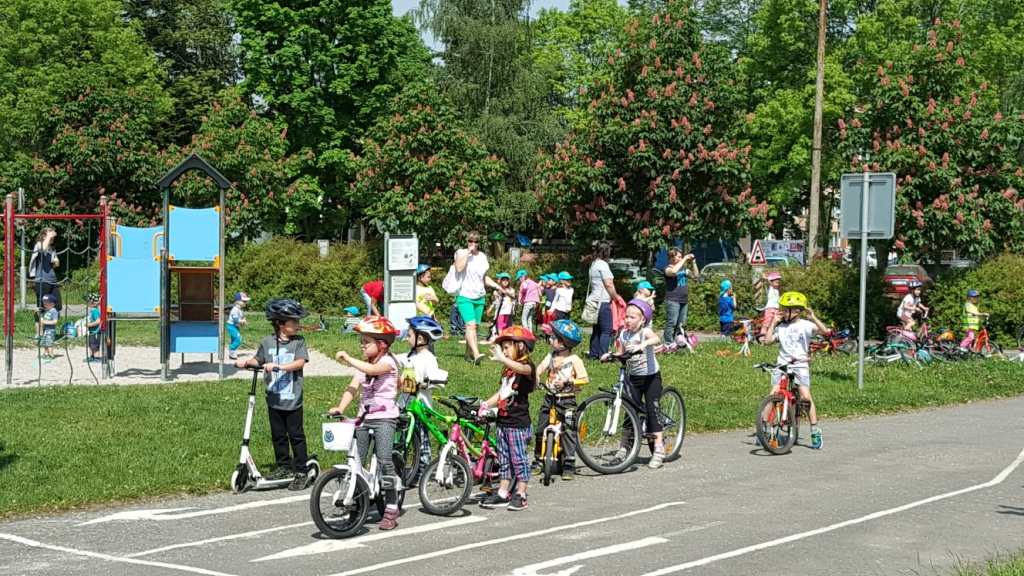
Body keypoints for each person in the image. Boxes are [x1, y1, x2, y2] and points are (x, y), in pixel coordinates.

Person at [331, 315, 403, 530]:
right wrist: (340, 408)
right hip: (364, 418)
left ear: (382, 344)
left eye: (366, 342)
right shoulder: (364, 365)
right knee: (356, 461)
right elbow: (353, 387)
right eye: (360, 342)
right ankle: (356, 504)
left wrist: (347, 358)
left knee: (384, 460)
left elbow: (372, 371)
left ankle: (391, 505)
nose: (361, 346)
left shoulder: (388, 361)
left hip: (385, 418)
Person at [235, 298, 312, 490]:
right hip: (274, 398)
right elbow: (258, 359)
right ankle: (284, 466)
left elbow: (300, 363)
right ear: (279, 323)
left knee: (296, 435)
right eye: (293, 321)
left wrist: (279, 366)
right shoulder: (267, 341)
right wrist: (246, 362)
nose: (297, 325)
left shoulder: (299, 342)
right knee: (278, 435)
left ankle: (302, 471)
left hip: (292, 399)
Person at [601, 299, 665, 469]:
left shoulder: (645, 332)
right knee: (629, 412)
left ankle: (659, 450)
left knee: (653, 411)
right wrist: (610, 356)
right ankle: (623, 447)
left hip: (651, 377)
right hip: (634, 377)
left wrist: (643, 344)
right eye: (626, 316)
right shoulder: (623, 334)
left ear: (642, 320)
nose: (628, 320)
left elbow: (656, 340)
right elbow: (620, 353)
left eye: (632, 317)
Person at [478, 326, 536, 511]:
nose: (503, 352)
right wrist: (486, 404)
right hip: (503, 421)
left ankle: (521, 494)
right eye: (502, 348)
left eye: (507, 347)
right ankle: (503, 492)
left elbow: (523, 369)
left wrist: (503, 359)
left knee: (519, 460)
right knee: (504, 459)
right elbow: (503, 393)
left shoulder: (526, 367)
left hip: (518, 424)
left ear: (521, 346)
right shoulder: (508, 371)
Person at [762, 292, 828, 449]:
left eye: (786, 310)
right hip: (782, 364)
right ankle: (763, 429)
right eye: (782, 309)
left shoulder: (805, 325)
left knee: (805, 396)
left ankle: (814, 430)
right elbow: (767, 341)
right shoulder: (781, 327)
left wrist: (813, 317)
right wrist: (772, 323)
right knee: (773, 393)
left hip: (800, 364)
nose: (783, 312)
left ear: (796, 311)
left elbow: (824, 331)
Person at [532, 319, 589, 481]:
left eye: (553, 337)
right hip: (550, 396)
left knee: (568, 431)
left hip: (567, 400)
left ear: (563, 343)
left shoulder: (575, 360)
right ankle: (539, 459)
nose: (550, 339)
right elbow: (542, 366)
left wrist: (569, 382)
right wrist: (536, 375)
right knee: (540, 428)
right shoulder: (552, 355)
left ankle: (568, 463)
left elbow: (585, 379)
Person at [396, 315, 444, 487]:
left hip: (420, 404)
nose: (407, 338)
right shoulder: (411, 355)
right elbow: (395, 359)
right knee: (403, 437)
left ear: (421, 338)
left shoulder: (429, 358)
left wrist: (424, 383)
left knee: (422, 438)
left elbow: (434, 382)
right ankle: (402, 467)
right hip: (405, 402)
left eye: (409, 335)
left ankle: (422, 470)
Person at [452, 231, 507, 364]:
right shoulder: (460, 253)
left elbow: (484, 278)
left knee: (475, 327)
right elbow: (459, 268)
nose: (473, 244)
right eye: (470, 241)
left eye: (476, 242)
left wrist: (497, 287)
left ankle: (467, 354)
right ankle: (476, 354)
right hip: (465, 295)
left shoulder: (482, 256)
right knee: (470, 325)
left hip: (479, 296)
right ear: (467, 241)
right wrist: (468, 252)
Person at [587, 242, 621, 360]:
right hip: (603, 302)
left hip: (594, 300)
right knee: (607, 330)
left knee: (597, 330)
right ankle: (604, 355)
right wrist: (616, 298)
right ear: (606, 251)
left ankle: (593, 355)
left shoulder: (594, 264)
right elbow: (608, 284)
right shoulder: (603, 264)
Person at [662, 248, 699, 346]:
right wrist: (685, 258)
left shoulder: (684, 269)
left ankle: (678, 343)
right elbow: (673, 271)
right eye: (679, 256)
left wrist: (694, 263)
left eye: (681, 256)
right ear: (672, 257)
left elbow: (695, 276)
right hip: (672, 300)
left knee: (681, 325)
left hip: (684, 300)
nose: (681, 258)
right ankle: (668, 344)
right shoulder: (667, 268)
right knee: (672, 323)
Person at [31, 227, 62, 337]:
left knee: (57, 305)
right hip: (41, 280)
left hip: (52, 280)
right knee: (41, 307)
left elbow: (55, 260)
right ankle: (38, 334)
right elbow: (42, 249)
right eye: (50, 234)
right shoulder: (39, 245)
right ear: (44, 235)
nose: (52, 236)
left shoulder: (52, 248)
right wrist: (48, 237)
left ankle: (49, 328)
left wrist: (56, 262)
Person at [226, 292, 251, 360]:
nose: (245, 302)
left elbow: (240, 318)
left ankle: (232, 352)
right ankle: (232, 350)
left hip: (235, 327)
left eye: (246, 301)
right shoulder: (235, 310)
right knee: (238, 339)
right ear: (237, 302)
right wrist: (243, 321)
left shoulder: (240, 309)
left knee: (234, 339)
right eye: (244, 301)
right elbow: (235, 320)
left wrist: (243, 321)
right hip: (231, 326)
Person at [761, 272, 782, 336]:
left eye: (778, 282)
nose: (777, 284)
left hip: (776, 309)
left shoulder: (777, 291)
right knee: (766, 324)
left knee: (775, 324)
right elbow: (768, 283)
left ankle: (771, 336)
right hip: (770, 309)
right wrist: (767, 278)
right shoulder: (770, 288)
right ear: (771, 282)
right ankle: (762, 338)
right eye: (776, 282)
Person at [39, 294, 59, 360]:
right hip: (45, 329)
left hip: (50, 330)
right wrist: (39, 313)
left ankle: (51, 355)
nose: (44, 305)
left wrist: (45, 322)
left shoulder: (54, 311)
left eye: (46, 303)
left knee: (49, 343)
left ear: (52, 304)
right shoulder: (46, 311)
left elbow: (55, 322)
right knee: (45, 342)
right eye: (44, 303)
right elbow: (42, 318)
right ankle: (45, 353)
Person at [85, 293, 102, 363]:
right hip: (92, 331)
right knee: (91, 344)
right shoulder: (93, 311)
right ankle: (91, 356)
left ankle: (96, 357)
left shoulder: (95, 311)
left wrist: (90, 325)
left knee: (95, 345)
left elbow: (98, 321)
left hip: (96, 331)